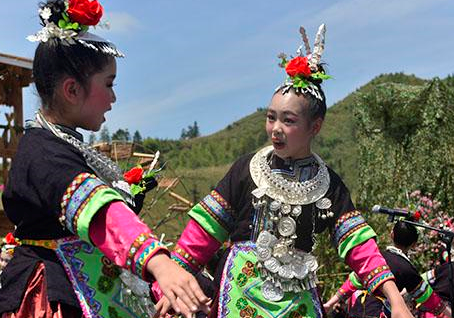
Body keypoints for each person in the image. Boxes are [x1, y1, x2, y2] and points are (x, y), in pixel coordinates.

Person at [153, 25, 414, 318]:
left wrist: (396, 299)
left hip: (297, 303)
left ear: (314, 127)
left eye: (288, 120)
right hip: (240, 297)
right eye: (271, 117)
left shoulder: (329, 186)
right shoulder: (246, 169)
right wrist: (170, 284)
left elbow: (359, 247)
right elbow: (202, 234)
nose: (275, 129)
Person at [0, 1, 209, 317]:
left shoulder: (62, 146)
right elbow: (100, 213)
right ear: (72, 90)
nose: (113, 97)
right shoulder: (42, 153)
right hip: (53, 296)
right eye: (109, 84)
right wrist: (160, 264)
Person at [324, 220, 451, 318]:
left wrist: (330, 304)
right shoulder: (407, 270)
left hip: (356, 310)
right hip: (378, 313)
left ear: (392, 235)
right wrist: (447, 313)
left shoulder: (375, 257)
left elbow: (352, 282)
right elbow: (430, 299)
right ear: (414, 244)